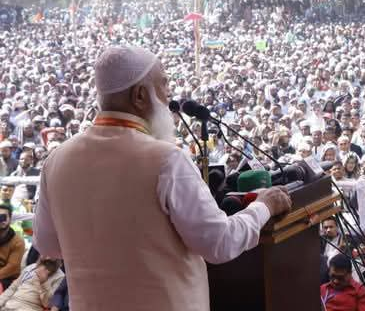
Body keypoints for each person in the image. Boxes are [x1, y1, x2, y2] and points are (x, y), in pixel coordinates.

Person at [32, 45, 292, 311]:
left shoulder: (57, 160)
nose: (168, 96)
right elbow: (219, 243)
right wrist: (264, 207)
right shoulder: (165, 159)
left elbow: (47, 244)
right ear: (140, 95)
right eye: (164, 84)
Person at [0, 257, 64, 311]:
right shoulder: (31, 267)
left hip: (28, 308)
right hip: (9, 305)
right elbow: (12, 289)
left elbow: (47, 304)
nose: (48, 256)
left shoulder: (60, 277)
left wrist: (43, 283)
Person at [0, 204, 24, 289]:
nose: (2, 220)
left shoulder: (18, 241)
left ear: (10, 219)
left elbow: (12, 267)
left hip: (7, 277)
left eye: (4, 217)